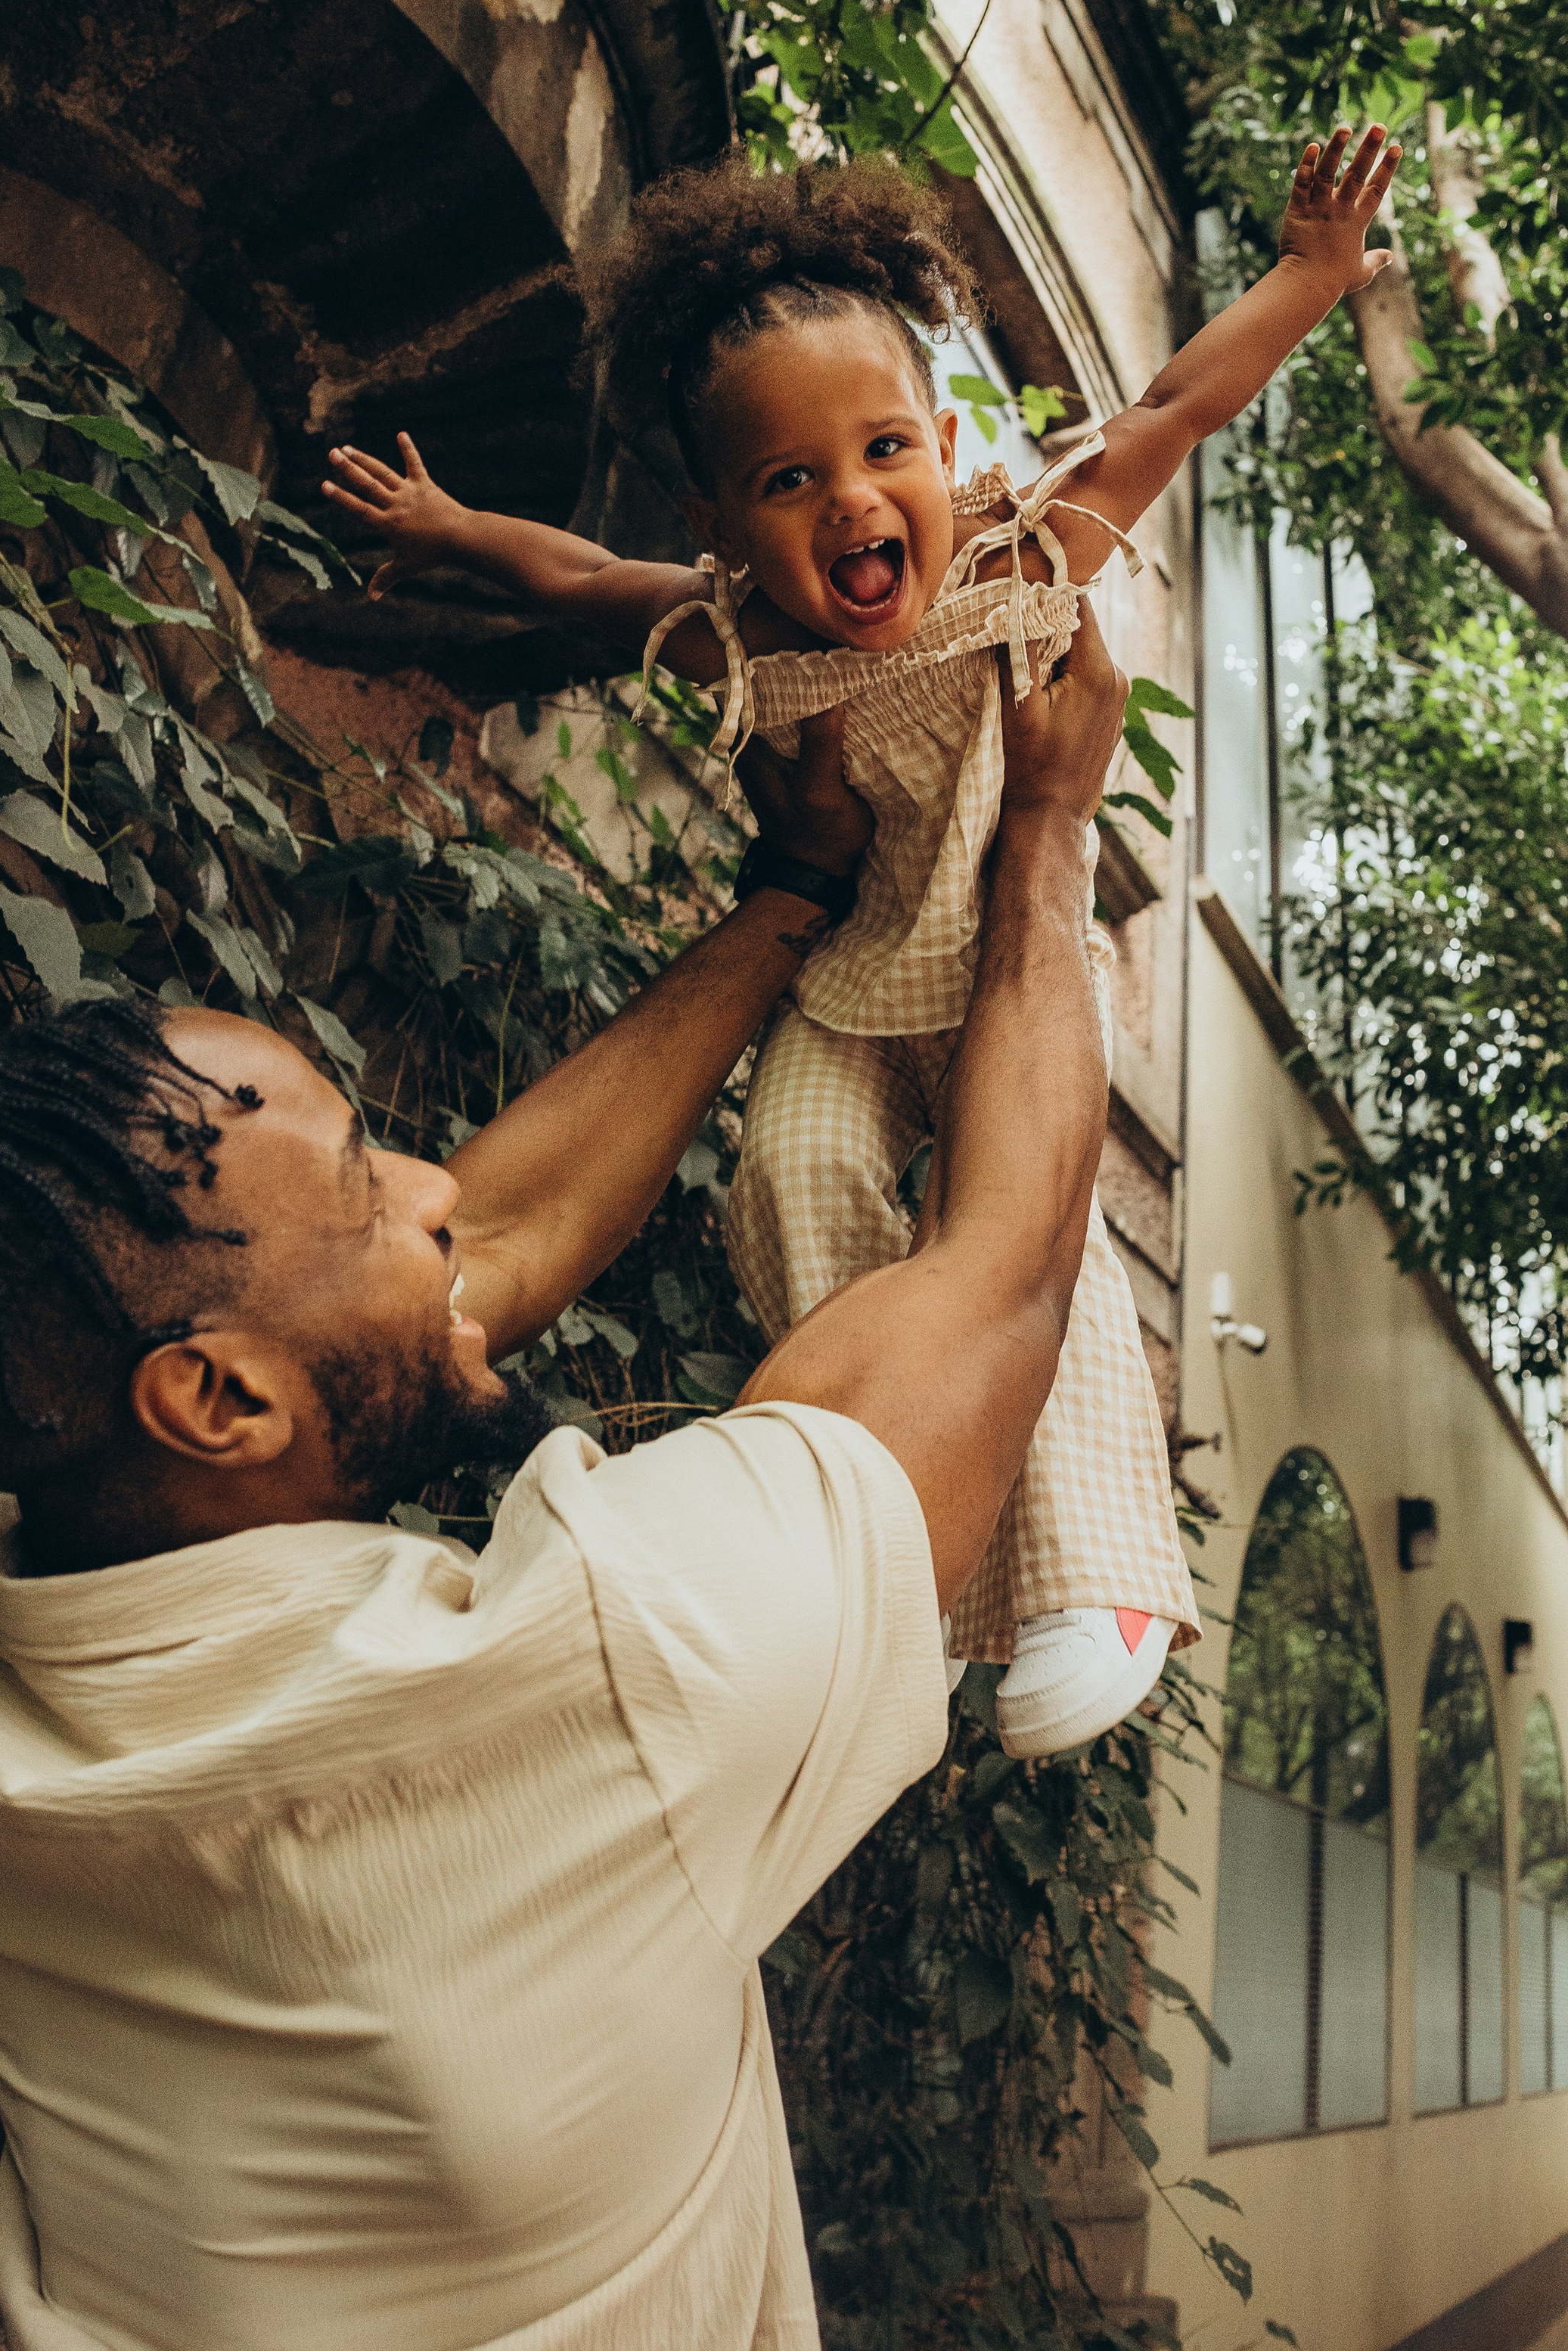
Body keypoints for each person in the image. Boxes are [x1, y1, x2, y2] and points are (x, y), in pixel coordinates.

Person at [0, 615, 1126, 2351]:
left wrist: (790, 892)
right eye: (369, 1181)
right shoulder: (606, 1674)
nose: (434, 1187)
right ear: (215, 1403)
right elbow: (993, 1280)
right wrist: (1046, 828)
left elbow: (453, 1270)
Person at [321, 123, 1402, 1754]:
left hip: (1000, 987)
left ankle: (1099, 1572)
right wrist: (455, 530)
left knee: (1030, 1226)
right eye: (787, 481)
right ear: (724, 521)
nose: (851, 503)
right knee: (783, 1173)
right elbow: (575, 580)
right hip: (847, 981)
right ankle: (886, 1506)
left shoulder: (1021, 556)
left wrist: (1312, 277)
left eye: (882, 447)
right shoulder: (726, 629)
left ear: (948, 439)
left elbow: (1176, 407)